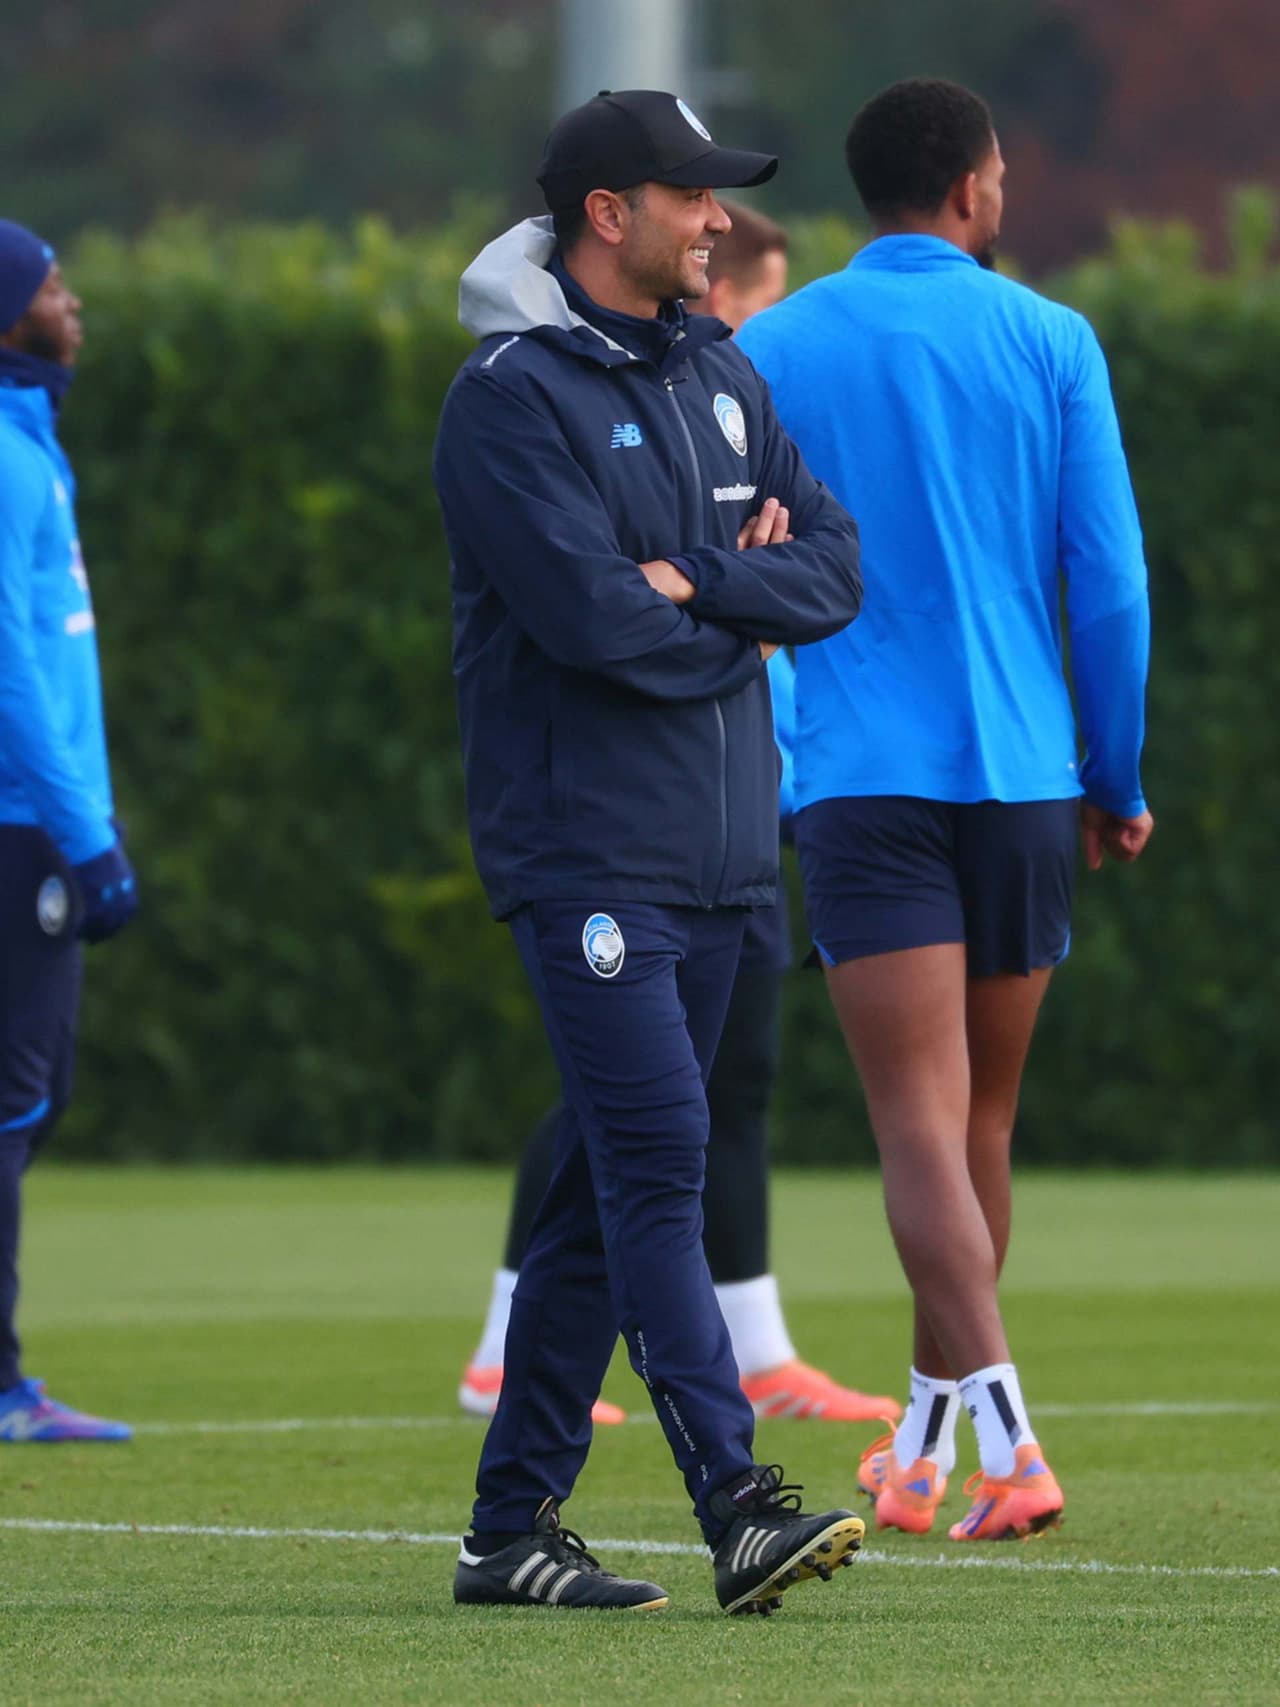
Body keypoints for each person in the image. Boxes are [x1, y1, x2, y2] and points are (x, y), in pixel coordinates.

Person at [433, 90, 866, 1614]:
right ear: (608, 213)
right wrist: (707, 606)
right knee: (658, 1164)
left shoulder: (723, 372)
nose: (719, 223)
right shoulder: (507, 397)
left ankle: (510, 1530)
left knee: (595, 1198)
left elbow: (834, 567)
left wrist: (700, 593)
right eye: (693, 196)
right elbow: (591, 620)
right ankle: (738, 1499)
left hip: (729, 862)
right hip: (594, 856)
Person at [737, 78, 1153, 1542]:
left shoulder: (772, 348)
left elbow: (740, 565)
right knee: (983, 1126)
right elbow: (1104, 582)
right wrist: (1120, 773)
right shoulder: (1053, 338)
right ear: (974, 188)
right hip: (1031, 776)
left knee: (918, 1120)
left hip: (864, 777)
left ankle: (1007, 1437)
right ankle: (920, 1454)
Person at [0, 220, 138, 1443]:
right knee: (13, 1104)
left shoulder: (29, 443)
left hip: (36, 823)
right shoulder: (0, 456)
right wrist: (81, 833)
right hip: (20, 829)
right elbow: (9, 674)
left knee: (29, 1102)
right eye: (49, 283)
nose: (71, 298)